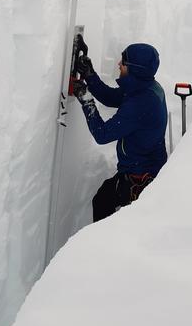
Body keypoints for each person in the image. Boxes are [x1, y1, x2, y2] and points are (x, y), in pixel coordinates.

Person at [72, 41, 168, 222]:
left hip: (139, 176)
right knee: (103, 200)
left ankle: (104, 246)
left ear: (134, 69)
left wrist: (86, 100)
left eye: (123, 62)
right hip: (141, 165)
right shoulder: (145, 87)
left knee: (107, 206)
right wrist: (89, 75)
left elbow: (102, 134)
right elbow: (111, 97)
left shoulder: (140, 103)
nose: (118, 64)